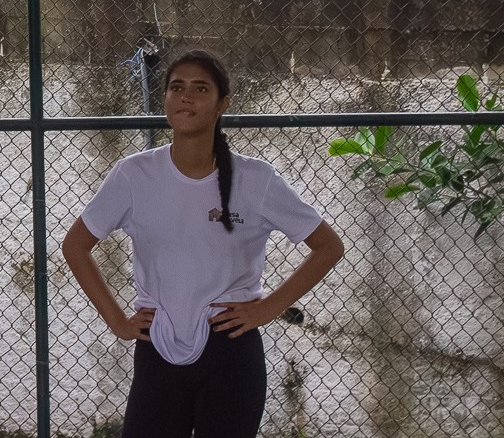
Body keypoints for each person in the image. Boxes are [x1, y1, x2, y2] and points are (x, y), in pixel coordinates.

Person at [63, 51, 345, 438]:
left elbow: (328, 246)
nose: (186, 97)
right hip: (157, 347)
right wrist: (118, 321)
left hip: (230, 351)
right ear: (164, 99)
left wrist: (265, 309)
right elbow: (75, 246)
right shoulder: (134, 175)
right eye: (177, 87)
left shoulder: (256, 179)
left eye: (200, 89)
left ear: (222, 104)